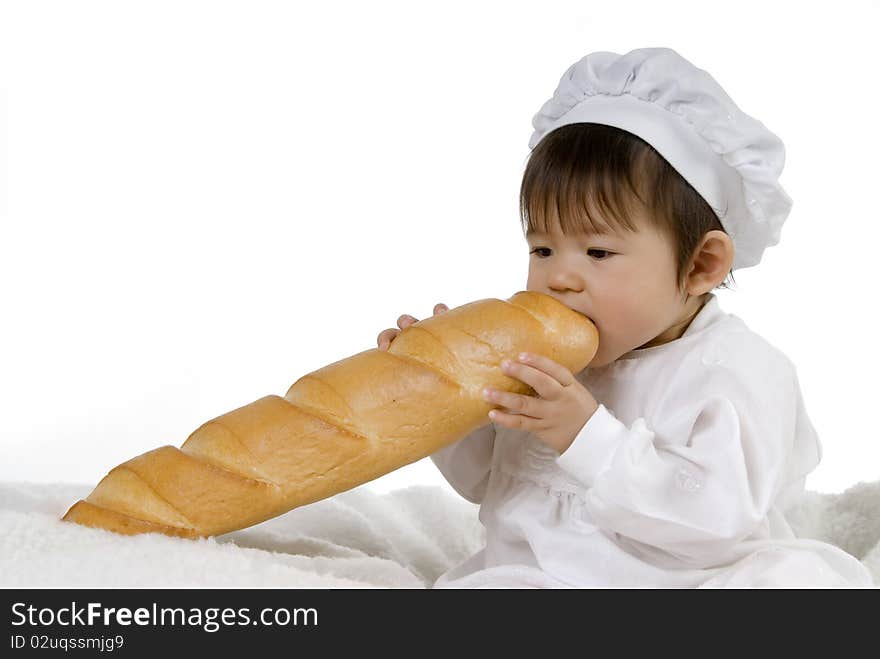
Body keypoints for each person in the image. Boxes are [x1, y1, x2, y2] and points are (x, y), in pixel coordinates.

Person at [377, 47, 874, 588]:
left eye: (598, 253)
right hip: (537, 578)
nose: (560, 278)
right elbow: (487, 481)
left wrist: (585, 436)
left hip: (689, 582)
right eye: (542, 249)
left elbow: (718, 521)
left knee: (793, 583)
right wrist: (440, 402)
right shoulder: (543, 357)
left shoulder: (736, 370)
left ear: (701, 265)